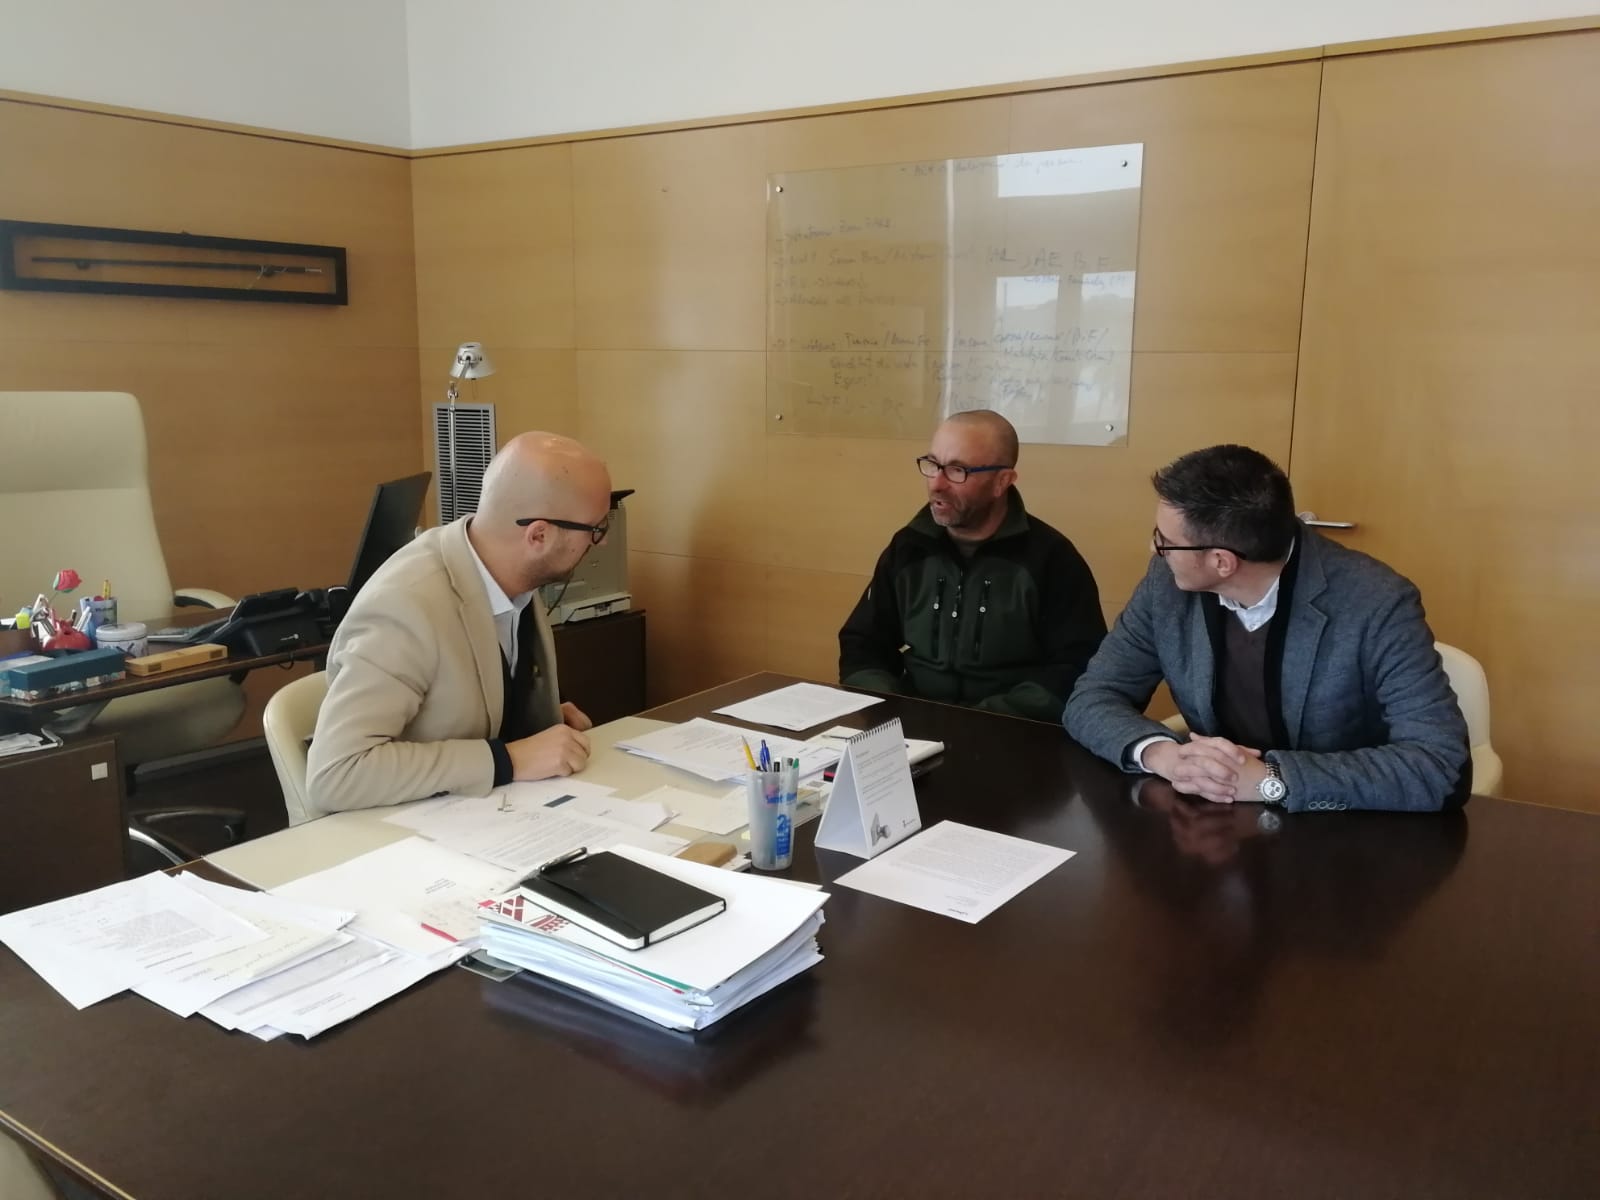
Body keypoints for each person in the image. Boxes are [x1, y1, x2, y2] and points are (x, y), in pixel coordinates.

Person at [1063, 444, 1471, 813]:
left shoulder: (1377, 603)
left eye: (1164, 540)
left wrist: (1272, 779)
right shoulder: (1166, 585)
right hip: (1214, 823)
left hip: (1343, 832)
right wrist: (1165, 756)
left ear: (1222, 562)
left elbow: (1439, 765)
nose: (1154, 549)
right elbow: (1093, 696)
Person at [308, 432, 612, 813]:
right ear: (539, 535)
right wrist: (509, 759)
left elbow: (472, 687)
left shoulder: (511, 577)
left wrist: (535, 712)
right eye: (596, 529)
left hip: (485, 817)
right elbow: (335, 774)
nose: (600, 543)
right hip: (403, 834)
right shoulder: (406, 604)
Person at [838, 410, 1105, 721]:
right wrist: (892, 708)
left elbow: (1077, 667)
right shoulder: (909, 547)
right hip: (913, 725)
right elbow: (863, 645)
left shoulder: (1052, 559)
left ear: (1002, 481)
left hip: (1010, 729)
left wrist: (983, 720)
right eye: (933, 465)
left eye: (957, 470)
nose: (937, 484)